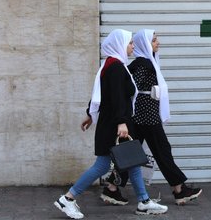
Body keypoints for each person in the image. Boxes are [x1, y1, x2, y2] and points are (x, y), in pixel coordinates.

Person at [53, 29, 168, 219]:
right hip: (114, 125)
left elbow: (102, 92)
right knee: (102, 166)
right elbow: (116, 97)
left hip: (115, 122)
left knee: (133, 162)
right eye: (130, 43)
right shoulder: (115, 67)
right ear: (120, 44)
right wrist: (121, 122)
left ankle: (144, 202)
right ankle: (68, 198)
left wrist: (91, 113)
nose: (133, 46)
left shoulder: (112, 64)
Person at [103, 29, 202, 206]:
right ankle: (179, 189)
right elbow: (130, 89)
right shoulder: (142, 65)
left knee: (131, 154)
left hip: (143, 117)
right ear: (145, 44)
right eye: (154, 40)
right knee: (162, 150)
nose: (158, 43)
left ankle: (111, 187)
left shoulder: (147, 62)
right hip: (145, 117)